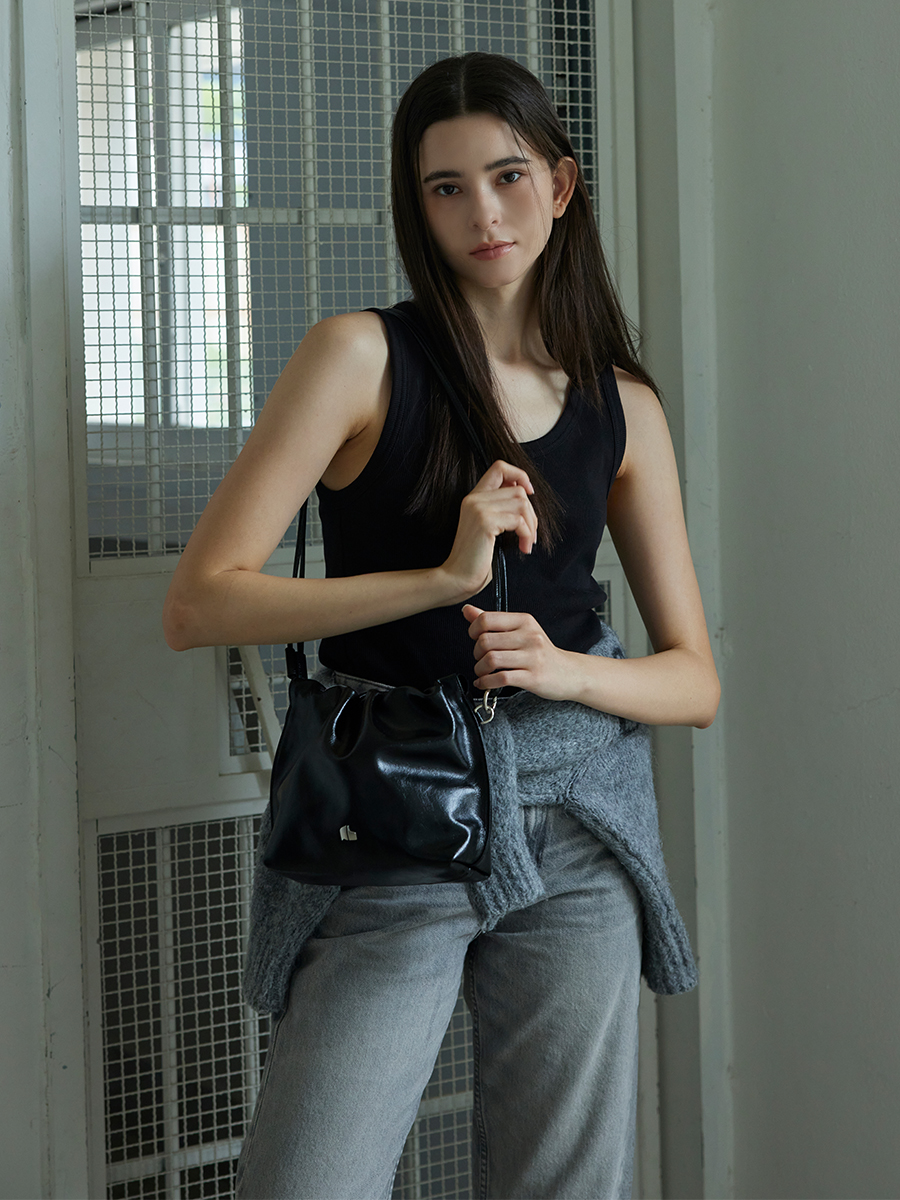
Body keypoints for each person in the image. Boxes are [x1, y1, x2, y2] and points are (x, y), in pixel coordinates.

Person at [163, 50, 719, 1200]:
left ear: (560, 184)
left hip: (578, 823)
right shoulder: (360, 356)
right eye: (446, 187)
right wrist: (441, 578)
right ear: (416, 206)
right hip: (395, 816)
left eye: (508, 176)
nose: (484, 214)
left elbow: (693, 680)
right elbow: (202, 600)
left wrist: (563, 669)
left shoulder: (623, 405)